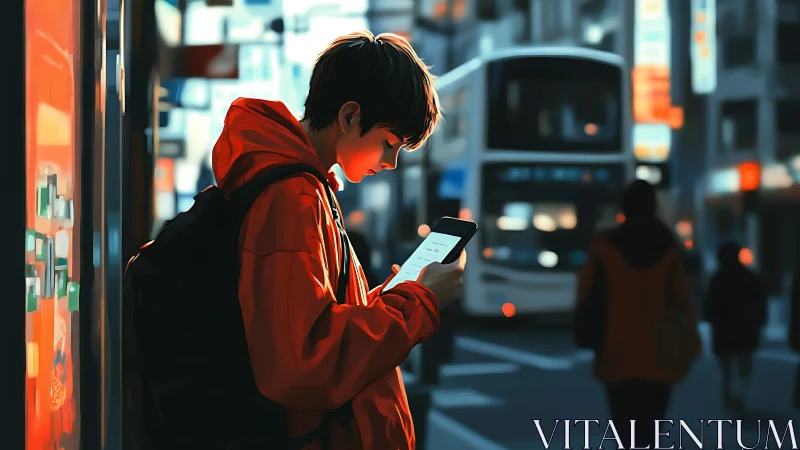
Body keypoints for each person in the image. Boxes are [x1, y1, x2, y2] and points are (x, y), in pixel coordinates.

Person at [210, 31, 463, 450]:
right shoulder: (293, 198)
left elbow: (317, 324)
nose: (391, 162)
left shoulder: (300, 187)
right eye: (389, 143)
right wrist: (417, 303)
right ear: (349, 117)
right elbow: (302, 363)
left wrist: (393, 295)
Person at [575, 180, 701, 449]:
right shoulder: (669, 247)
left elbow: (585, 295)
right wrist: (691, 345)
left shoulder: (604, 247)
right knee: (651, 432)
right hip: (661, 355)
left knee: (624, 432)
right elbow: (683, 301)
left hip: (616, 352)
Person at [703, 241, 767, 415]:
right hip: (746, 329)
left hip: (724, 331)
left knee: (727, 368)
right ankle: (740, 396)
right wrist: (759, 322)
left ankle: (729, 394)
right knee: (744, 365)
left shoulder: (718, 279)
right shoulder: (751, 278)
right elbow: (761, 304)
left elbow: (709, 307)